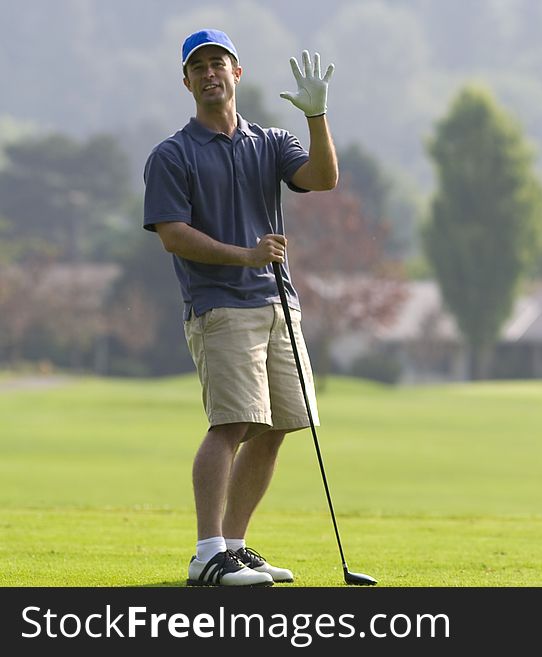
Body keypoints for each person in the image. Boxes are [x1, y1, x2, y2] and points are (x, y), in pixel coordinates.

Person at [143, 29, 338, 586]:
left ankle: (233, 545)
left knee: (276, 426)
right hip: (219, 306)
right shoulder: (172, 154)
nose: (209, 74)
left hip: (277, 304)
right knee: (232, 423)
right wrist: (248, 256)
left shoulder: (270, 142)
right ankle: (207, 555)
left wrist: (317, 117)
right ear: (186, 81)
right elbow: (173, 236)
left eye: (218, 64)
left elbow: (323, 178)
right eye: (198, 67)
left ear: (237, 73)